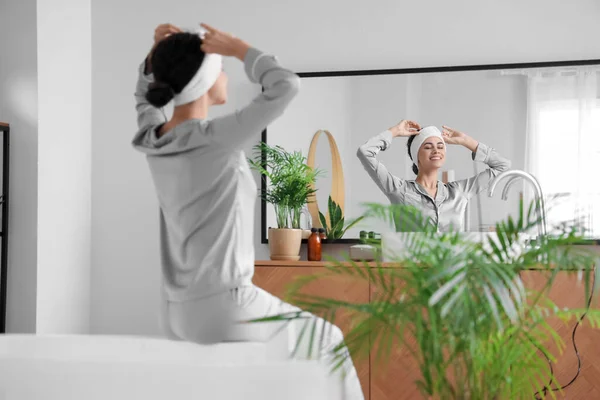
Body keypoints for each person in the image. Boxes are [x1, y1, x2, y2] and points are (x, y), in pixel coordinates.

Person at [132, 23, 364, 399]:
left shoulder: (154, 139)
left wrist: (156, 55)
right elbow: (286, 84)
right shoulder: (215, 138)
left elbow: (144, 99)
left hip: (177, 311)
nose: (226, 75)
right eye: (221, 68)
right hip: (226, 303)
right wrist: (240, 48)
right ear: (205, 80)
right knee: (329, 340)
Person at [356, 120, 511, 232]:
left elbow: (503, 166)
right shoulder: (400, 191)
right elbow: (365, 152)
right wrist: (394, 131)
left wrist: (466, 141)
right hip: (413, 273)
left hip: (452, 272)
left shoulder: (458, 192)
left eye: (440, 146)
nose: (436, 151)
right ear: (416, 156)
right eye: (428, 147)